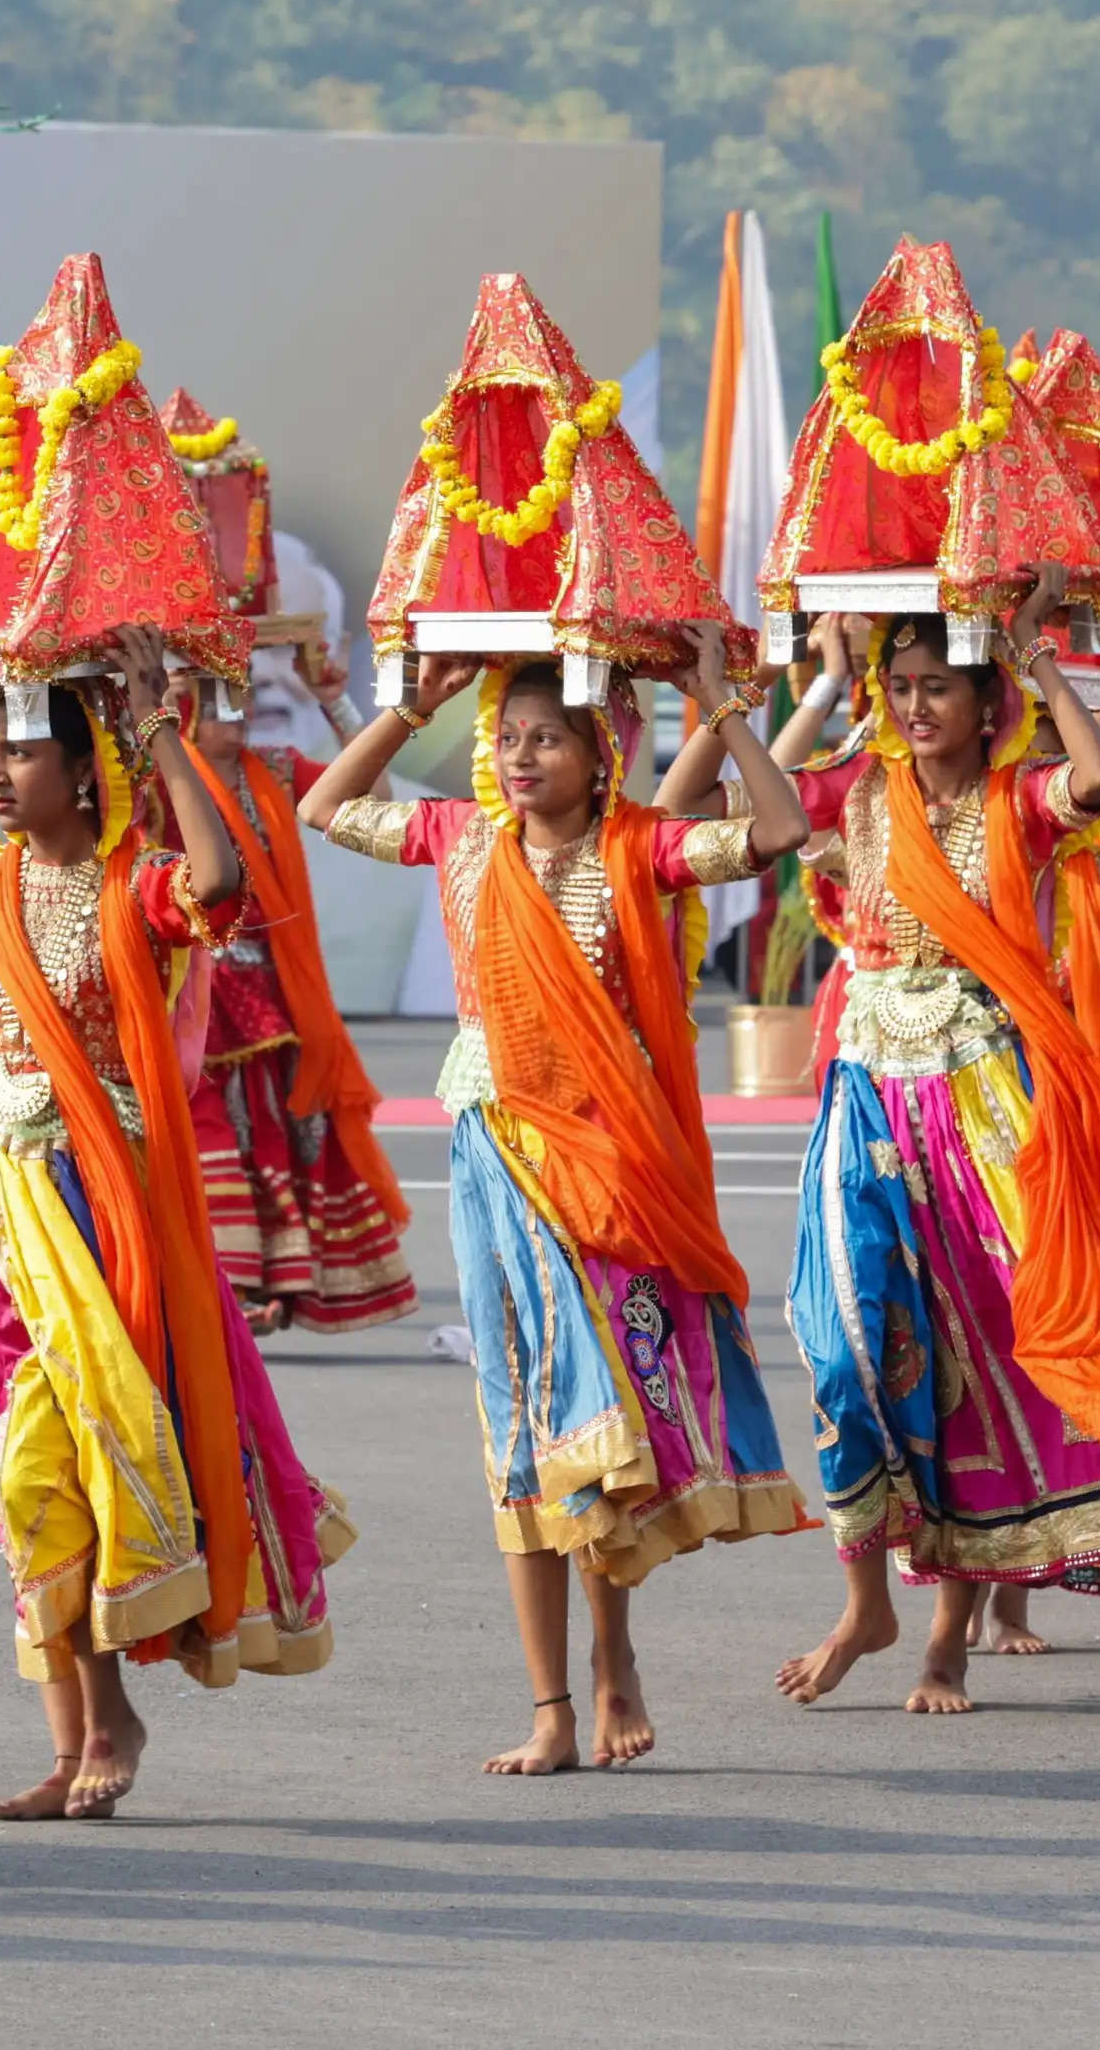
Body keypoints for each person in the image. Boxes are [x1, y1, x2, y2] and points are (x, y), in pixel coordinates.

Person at [0, 637, 350, 1819]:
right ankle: (76, 1733)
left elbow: (220, 882)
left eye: (22, 751)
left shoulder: (131, 883)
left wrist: (154, 731)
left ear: (86, 773)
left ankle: (109, 1719)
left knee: (99, 1448)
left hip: (106, 1203)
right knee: (25, 1467)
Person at [306, 635, 804, 1774]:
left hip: (609, 1166)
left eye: (544, 737)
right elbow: (330, 809)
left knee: (602, 1421)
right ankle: (550, 1707)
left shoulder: (641, 849)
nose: (518, 755)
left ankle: (611, 1664)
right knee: (522, 1425)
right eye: (504, 737)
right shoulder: (456, 840)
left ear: (600, 751)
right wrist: (407, 710)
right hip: (495, 1159)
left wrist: (722, 709)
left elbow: (775, 835)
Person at [771, 581, 1100, 1715]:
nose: (914, 704)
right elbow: (735, 797)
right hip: (865, 1099)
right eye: (902, 688)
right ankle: (863, 1598)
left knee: (978, 1358)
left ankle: (944, 1630)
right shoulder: (862, 799)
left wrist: (1031, 656)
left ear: (983, 700)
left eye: (935, 684)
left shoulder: (1028, 807)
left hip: (985, 1099)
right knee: (844, 1351)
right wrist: (834, 678)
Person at [187, 646, 416, 1338]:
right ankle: (229, 1281)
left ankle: (270, 1283)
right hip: (192, 987)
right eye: (222, 697)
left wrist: (335, 703)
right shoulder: (157, 777)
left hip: (271, 987)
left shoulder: (277, 769)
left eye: (245, 693)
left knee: (275, 1126)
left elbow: (374, 802)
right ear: (188, 707)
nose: (243, 710)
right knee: (210, 1127)